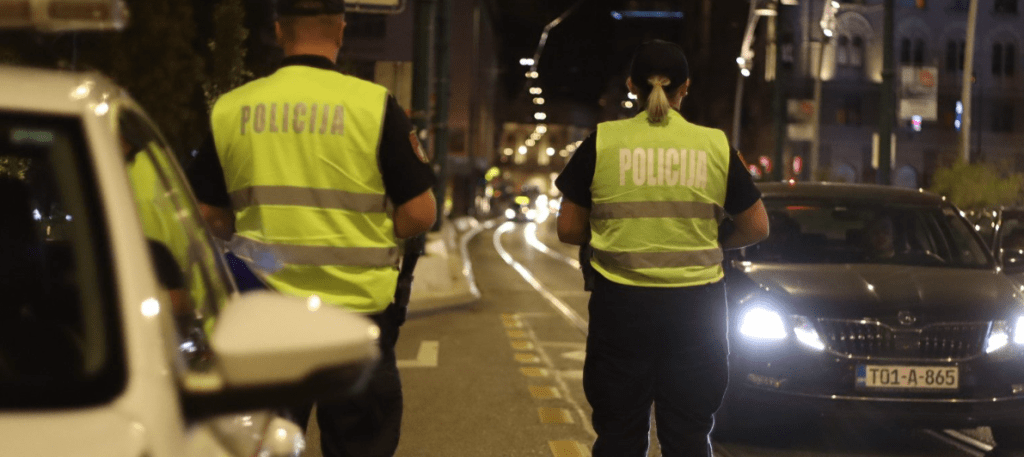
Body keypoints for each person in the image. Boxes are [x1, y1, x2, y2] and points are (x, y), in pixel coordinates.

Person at [185, 0, 437, 455]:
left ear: (279, 31)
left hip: (265, 316)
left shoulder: (232, 109)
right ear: (340, 30)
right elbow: (420, 213)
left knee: (263, 444)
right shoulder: (373, 106)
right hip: (356, 318)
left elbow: (206, 213)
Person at [555, 39, 769, 457]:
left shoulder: (603, 142)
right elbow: (756, 226)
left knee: (618, 435)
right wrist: (713, 241)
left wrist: (611, 236)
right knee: (688, 437)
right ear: (685, 87)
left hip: (621, 308)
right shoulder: (714, 145)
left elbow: (568, 228)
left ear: (632, 85)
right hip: (697, 311)